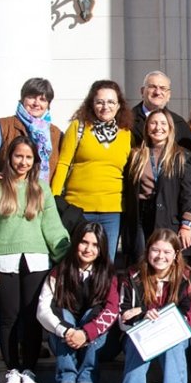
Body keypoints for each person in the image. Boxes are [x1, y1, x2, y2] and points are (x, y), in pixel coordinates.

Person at [0, 136, 70, 383]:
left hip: (37, 261)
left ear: (35, 160)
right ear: (10, 157)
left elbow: (53, 228)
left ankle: (29, 370)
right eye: (18, 156)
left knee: (32, 317)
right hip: (3, 263)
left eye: (28, 157)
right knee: (9, 317)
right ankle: (12, 370)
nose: (23, 162)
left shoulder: (41, 188)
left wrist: (66, 258)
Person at [118, 228, 191, 383]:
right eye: (155, 250)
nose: (160, 256)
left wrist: (157, 317)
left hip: (175, 334)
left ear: (176, 255)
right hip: (140, 333)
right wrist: (143, 315)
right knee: (137, 339)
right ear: (147, 251)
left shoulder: (186, 276)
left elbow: (189, 314)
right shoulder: (133, 275)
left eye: (167, 252)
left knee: (173, 340)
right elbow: (123, 316)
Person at [51, 79, 133, 259]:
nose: (105, 107)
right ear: (92, 104)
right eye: (100, 102)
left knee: (106, 262)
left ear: (119, 105)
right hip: (78, 208)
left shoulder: (126, 133)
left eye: (111, 102)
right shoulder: (78, 127)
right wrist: (54, 198)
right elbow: (63, 163)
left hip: (112, 210)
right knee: (77, 260)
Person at [37, 222, 118, 383]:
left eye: (95, 245)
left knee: (93, 313)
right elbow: (43, 310)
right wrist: (67, 331)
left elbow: (112, 310)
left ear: (102, 249)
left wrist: (86, 333)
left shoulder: (108, 275)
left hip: (97, 343)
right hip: (65, 338)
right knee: (63, 314)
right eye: (84, 242)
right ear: (75, 243)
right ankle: (66, 376)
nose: (88, 249)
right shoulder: (58, 272)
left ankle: (87, 376)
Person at [0, 78, 63, 209]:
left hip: (39, 205)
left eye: (42, 99)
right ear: (22, 98)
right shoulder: (3, 126)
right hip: (2, 203)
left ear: (48, 104)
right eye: (31, 97)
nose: (36, 103)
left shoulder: (56, 134)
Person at [121, 108, 191, 265]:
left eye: (163, 123)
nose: (158, 127)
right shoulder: (136, 155)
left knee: (164, 262)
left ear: (170, 128)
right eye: (153, 123)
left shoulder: (181, 156)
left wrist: (186, 224)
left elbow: (188, 192)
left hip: (168, 216)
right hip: (140, 218)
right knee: (141, 261)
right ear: (147, 127)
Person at [130, 71, 191, 180]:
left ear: (169, 95)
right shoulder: (126, 122)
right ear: (142, 91)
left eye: (163, 88)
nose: (158, 92)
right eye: (152, 87)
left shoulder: (179, 124)